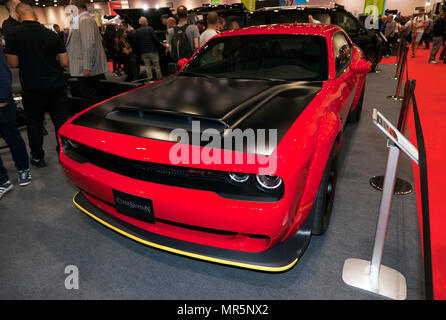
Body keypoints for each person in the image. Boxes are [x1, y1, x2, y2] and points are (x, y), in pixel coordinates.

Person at [5, 3, 69, 168]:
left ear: (19, 17)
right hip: (56, 84)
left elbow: (12, 63)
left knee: (34, 123)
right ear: (36, 15)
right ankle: (64, 151)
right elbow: (64, 62)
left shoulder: (13, 34)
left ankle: (38, 157)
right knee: (61, 121)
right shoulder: (51, 34)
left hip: (32, 86)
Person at [0, 45, 31, 199]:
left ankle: (23, 169)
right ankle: (2, 181)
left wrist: (2, 98)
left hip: (2, 103)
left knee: (12, 136)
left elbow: (4, 72)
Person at [66, 0, 109, 107]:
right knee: (90, 96)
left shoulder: (85, 20)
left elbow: (88, 45)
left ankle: (96, 120)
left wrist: (86, 66)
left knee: (91, 97)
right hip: (86, 67)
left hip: (87, 69)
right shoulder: (80, 20)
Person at [135, 16, 162, 82]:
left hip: (143, 52)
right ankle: (159, 79)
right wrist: (159, 46)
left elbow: (136, 42)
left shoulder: (137, 31)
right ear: (146, 22)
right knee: (156, 66)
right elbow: (155, 39)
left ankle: (150, 79)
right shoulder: (150, 29)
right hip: (152, 50)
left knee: (147, 66)